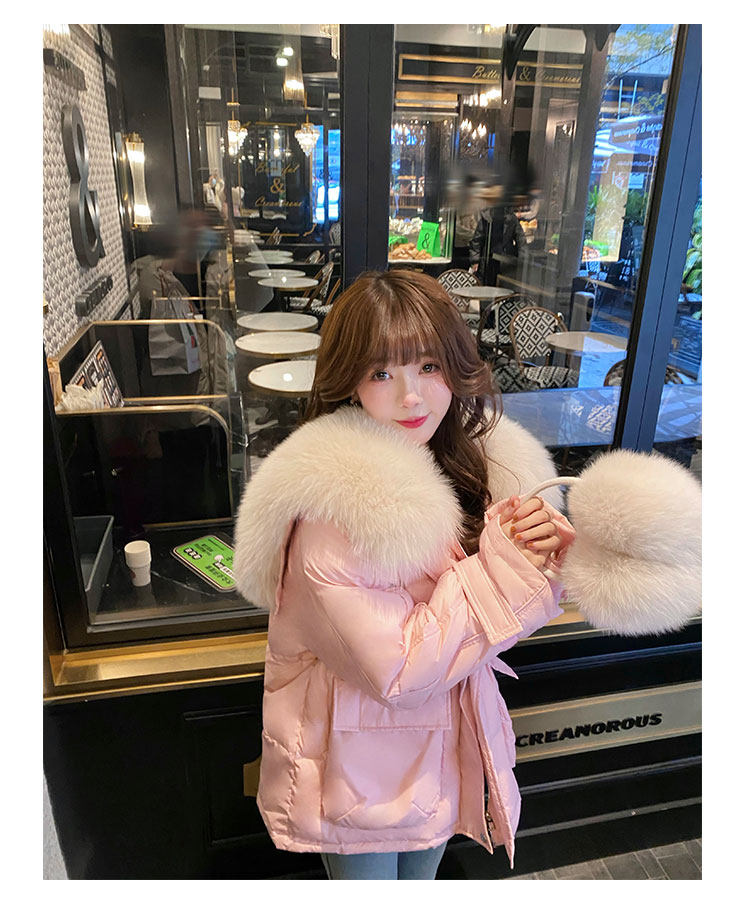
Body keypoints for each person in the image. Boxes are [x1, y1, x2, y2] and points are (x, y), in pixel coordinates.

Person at [233, 270, 576, 880]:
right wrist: (505, 571)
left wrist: (531, 550)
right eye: (381, 373)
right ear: (349, 383)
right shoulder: (335, 508)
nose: (412, 397)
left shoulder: (466, 469)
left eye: (429, 366)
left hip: (440, 748)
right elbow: (399, 670)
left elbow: (480, 634)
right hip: (356, 776)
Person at [468, 204, 526, 286]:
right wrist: (475, 262)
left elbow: (521, 240)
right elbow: (476, 241)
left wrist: (522, 261)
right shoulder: (486, 218)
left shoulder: (511, 219)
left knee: (502, 285)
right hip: (487, 259)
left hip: (504, 261)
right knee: (487, 284)